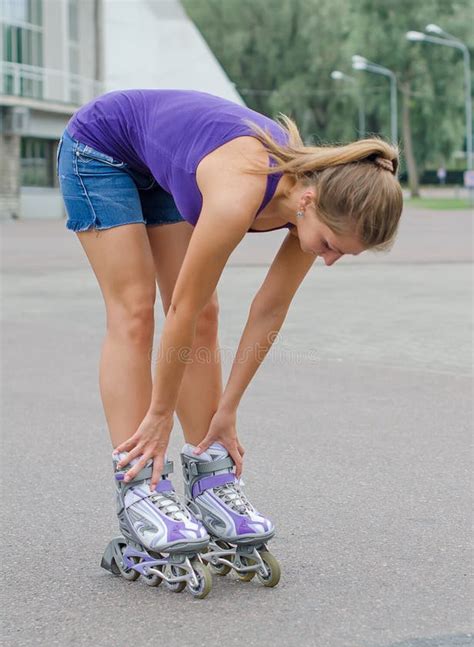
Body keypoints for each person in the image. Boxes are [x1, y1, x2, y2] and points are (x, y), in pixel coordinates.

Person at [57, 89, 403, 593]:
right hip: (101, 149)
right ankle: (140, 485)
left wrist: (227, 413)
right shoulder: (241, 192)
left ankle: (208, 471)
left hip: (158, 164)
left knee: (207, 316)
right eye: (329, 245)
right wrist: (159, 414)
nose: (328, 259)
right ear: (307, 203)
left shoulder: (318, 196)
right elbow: (181, 307)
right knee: (136, 311)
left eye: (341, 255)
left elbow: (269, 309)